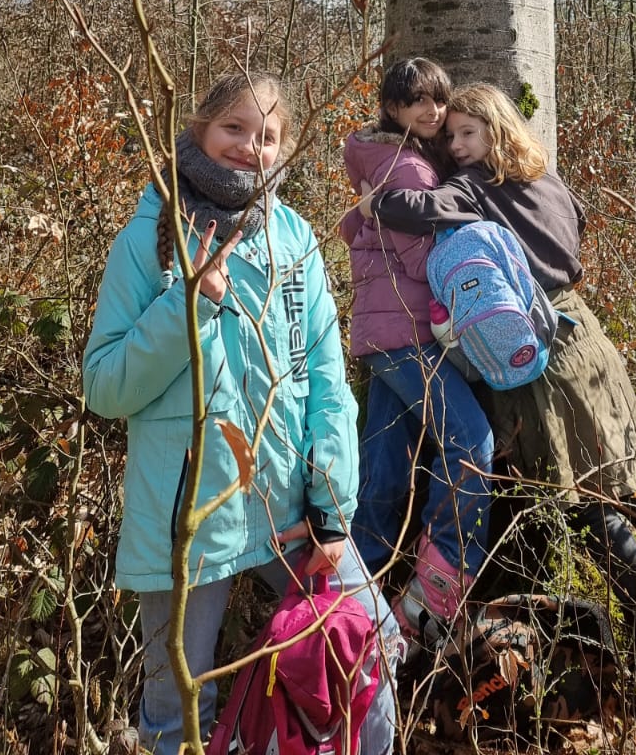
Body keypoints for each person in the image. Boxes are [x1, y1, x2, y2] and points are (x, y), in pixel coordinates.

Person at [83, 71, 401, 755]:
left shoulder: (294, 239)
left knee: (370, 639)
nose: (248, 147)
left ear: (285, 148)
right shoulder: (150, 236)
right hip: (186, 521)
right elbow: (105, 387)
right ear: (200, 128)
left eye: (267, 136)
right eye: (233, 128)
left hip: (286, 505)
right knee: (175, 713)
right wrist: (188, 303)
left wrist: (330, 505)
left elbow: (324, 378)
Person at [359, 82, 636, 669]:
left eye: (468, 133)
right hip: (586, 339)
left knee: (585, 502)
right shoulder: (549, 181)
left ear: (498, 131)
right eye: (452, 134)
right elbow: (579, 227)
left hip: (536, 352)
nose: (456, 145)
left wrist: (373, 201)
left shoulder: (474, 186)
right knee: (633, 483)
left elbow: (423, 209)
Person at [341, 57, 494, 642]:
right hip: (406, 335)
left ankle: (351, 590)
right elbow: (425, 262)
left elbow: (357, 236)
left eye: (438, 100)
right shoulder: (408, 170)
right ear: (393, 108)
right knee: (470, 439)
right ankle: (438, 584)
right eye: (417, 103)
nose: (432, 112)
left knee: (384, 466)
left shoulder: (382, 161)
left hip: (384, 336)